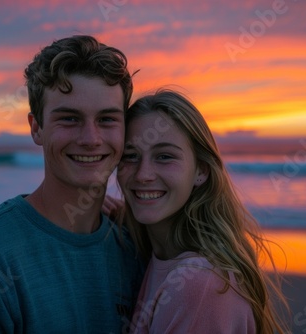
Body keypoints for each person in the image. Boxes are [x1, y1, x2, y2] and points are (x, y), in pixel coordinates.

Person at [0, 35, 144, 333]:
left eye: (107, 119)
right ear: (36, 128)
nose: (90, 139)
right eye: (69, 119)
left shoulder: (139, 245)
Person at [113, 89, 290, 333]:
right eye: (130, 156)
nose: (143, 174)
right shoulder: (161, 257)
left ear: (201, 171)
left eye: (164, 157)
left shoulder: (197, 284)